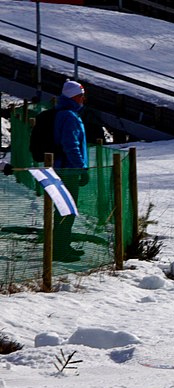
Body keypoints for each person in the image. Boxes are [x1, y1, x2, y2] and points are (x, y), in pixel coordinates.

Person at [53, 80, 89, 263]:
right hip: (68, 171)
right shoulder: (70, 116)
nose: (83, 99)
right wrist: (81, 168)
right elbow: (71, 145)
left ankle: (62, 245)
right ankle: (59, 249)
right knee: (66, 211)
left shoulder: (65, 114)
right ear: (74, 96)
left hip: (64, 168)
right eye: (81, 95)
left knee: (64, 210)